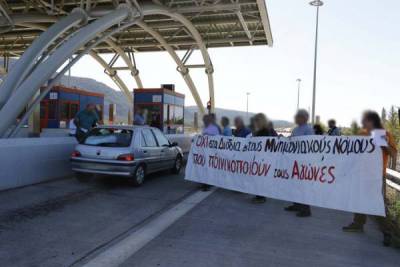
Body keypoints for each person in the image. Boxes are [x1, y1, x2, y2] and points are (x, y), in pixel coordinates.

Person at [342, 110, 397, 247]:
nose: (363, 123)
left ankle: (387, 233)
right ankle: (358, 224)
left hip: (377, 176)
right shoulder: (362, 134)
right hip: (361, 175)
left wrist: (384, 144)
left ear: (373, 121)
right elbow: (354, 153)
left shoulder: (384, 134)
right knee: (359, 199)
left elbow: (394, 154)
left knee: (377, 205)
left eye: (365, 120)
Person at [284, 109, 314, 217]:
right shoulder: (296, 129)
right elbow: (292, 140)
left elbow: (310, 144)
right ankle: (296, 204)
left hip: (303, 161)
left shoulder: (309, 129)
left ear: (304, 118)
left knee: (303, 186)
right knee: (294, 184)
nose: (296, 118)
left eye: (298, 117)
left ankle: (306, 209)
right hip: (294, 160)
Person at [251, 113, 278, 204]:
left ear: (261, 121)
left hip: (263, 159)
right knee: (259, 178)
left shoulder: (265, 131)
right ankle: (259, 196)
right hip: (261, 158)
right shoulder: (263, 131)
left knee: (260, 178)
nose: (256, 123)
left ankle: (261, 197)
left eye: (257, 121)